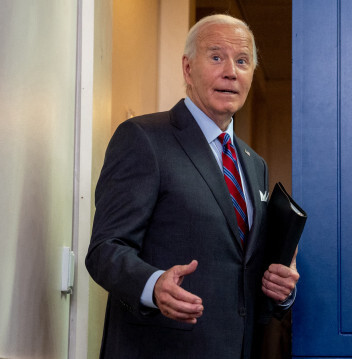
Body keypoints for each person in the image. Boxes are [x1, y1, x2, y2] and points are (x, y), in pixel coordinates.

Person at [85, 14, 299, 359]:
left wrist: (281, 287)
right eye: (216, 57)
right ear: (188, 69)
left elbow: (243, 269)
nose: (231, 71)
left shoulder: (253, 163)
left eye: (242, 61)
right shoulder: (143, 139)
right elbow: (105, 249)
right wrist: (154, 285)